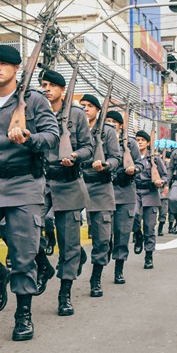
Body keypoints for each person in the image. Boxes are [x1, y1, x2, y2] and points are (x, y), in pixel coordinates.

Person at [0, 45, 58, 340]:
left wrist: (29, 139)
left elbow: (52, 136)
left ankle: (23, 313)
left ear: (17, 69)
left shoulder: (34, 101)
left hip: (25, 182)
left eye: (3, 64)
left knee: (24, 251)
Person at [41, 70, 93, 315]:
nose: (47, 89)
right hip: (39, 181)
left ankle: (65, 294)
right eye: (43, 84)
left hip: (68, 183)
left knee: (68, 242)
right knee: (20, 227)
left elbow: (88, 148)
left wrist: (75, 156)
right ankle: (42, 265)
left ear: (62, 90)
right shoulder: (34, 110)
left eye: (52, 85)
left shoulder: (76, 115)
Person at [78, 93, 119, 297]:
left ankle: (96, 278)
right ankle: (76, 256)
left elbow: (116, 158)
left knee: (101, 238)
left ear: (97, 110)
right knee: (68, 229)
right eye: (82, 105)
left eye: (89, 106)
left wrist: (106, 165)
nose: (85, 109)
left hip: (101, 187)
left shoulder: (108, 132)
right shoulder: (74, 128)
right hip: (76, 184)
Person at [105, 111, 140, 282]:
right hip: (105, 190)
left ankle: (119, 269)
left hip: (125, 192)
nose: (111, 124)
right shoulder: (100, 138)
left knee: (123, 233)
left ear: (120, 125)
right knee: (104, 234)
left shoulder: (130, 143)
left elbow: (140, 163)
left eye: (114, 122)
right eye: (108, 121)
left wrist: (134, 169)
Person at [133, 131, 167, 269]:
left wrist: (160, 182)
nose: (139, 142)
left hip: (151, 193)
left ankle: (148, 256)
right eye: (137, 139)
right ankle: (137, 234)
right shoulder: (130, 156)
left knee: (149, 226)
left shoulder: (155, 159)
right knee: (133, 215)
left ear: (148, 143)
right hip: (134, 191)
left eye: (142, 140)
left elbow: (165, 175)